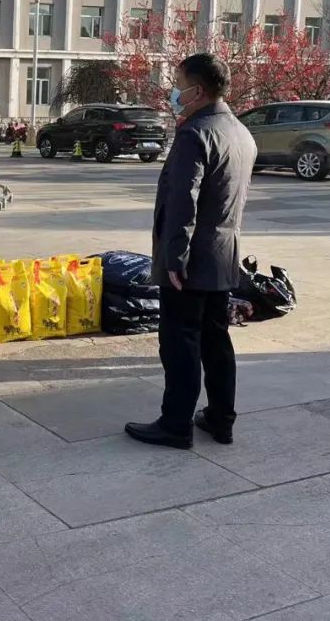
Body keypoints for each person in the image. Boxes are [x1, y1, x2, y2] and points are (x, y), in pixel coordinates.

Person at [125, 52, 257, 449]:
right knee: (216, 339)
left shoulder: (194, 133)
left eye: (178, 84)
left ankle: (175, 424)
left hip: (191, 259)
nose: (174, 92)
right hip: (223, 255)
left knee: (180, 341)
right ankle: (220, 418)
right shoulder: (240, 132)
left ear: (197, 91)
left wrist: (175, 257)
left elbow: (184, 200)